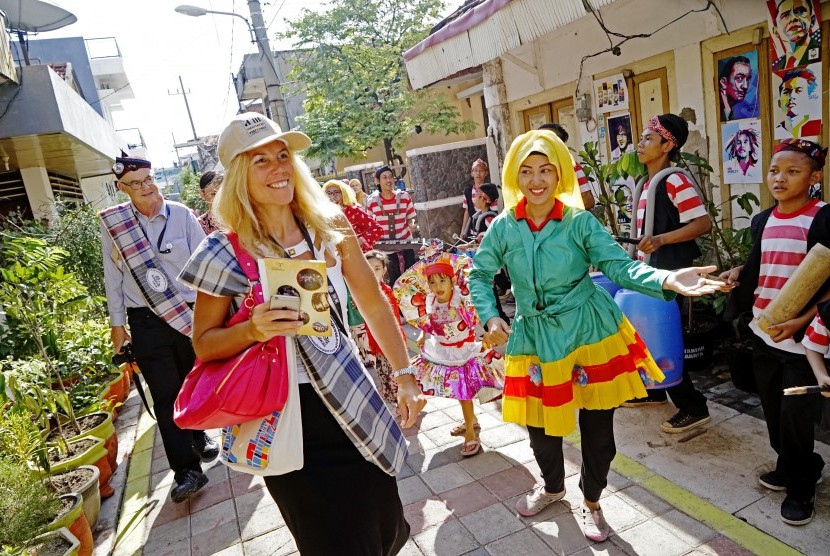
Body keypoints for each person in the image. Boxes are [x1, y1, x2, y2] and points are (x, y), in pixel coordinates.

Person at [178, 112, 422, 554]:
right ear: (237, 176)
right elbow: (204, 344)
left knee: (387, 526)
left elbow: (372, 303)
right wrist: (253, 328)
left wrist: (405, 374)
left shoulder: (328, 225)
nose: (278, 168)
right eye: (260, 161)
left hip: (352, 398)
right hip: (284, 419)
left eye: (283, 155)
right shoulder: (222, 251)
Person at [468, 129, 728, 542]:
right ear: (515, 177)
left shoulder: (579, 222)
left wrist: (667, 277)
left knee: (598, 429)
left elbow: (620, 267)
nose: (536, 180)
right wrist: (490, 317)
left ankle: (592, 502)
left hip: (589, 330)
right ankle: (553, 488)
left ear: (560, 177)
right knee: (541, 428)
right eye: (527, 171)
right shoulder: (503, 227)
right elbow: (479, 274)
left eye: (546, 171)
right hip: (535, 337)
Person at [721, 138, 829, 526]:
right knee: (772, 411)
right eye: (774, 171)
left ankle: (802, 485)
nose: (779, 179)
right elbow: (760, 263)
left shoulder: (824, 218)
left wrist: (802, 321)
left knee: (796, 417)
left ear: (814, 176)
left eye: (793, 171)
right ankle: (793, 466)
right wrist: (739, 274)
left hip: (804, 340)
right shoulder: (762, 220)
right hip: (765, 331)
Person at [98, 156, 217, 504]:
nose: (146, 187)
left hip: (190, 314)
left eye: (149, 179)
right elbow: (113, 276)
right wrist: (117, 325)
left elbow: (206, 264)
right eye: (136, 183)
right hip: (146, 321)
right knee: (165, 395)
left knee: (194, 382)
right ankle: (187, 471)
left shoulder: (182, 215)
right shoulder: (116, 226)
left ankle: (199, 435)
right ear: (122, 189)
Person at [621, 114, 714, 434]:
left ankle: (693, 406)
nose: (640, 144)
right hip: (651, 270)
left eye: (648, 139)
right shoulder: (645, 183)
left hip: (670, 269)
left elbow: (702, 224)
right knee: (646, 332)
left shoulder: (674, 180)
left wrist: (661, 239)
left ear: (667, 144)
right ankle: (655, 391)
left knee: (665, 337)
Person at [364, 250, 407, 404]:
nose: (373, 272)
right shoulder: (364, 291)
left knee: (395, 375)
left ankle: (403, 404)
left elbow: (393, 320)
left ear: (384, 270)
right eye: (369, 268)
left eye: (377, 268)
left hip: (390, 342)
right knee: (383, 374)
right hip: (376, 341)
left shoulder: (386, 292)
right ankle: (393, 401)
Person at [366, 165, 418, 286]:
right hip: (385, 249)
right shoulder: (372, 201)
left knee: (411, 279)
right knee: (392, 281)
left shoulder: (405, 197)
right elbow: (369, 225)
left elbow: (411, 219)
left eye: (391, 177)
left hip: (406, 244)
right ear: (377, 181)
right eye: (384, 177)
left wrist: (412, 225)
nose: (389, 180)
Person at [537, 123, 596, 210]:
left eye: (546, 139)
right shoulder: (526, 167)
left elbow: (588, 201)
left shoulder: (572, 166)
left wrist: (556, 214)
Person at [323, 179, 384, 252]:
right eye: (329, 193)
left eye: (336, 192)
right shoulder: (325, 215)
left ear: (343, 194)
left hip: (360, 255)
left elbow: (378, 230)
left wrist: (358, 242)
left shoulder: (353, 210)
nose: (332, 195)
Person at [771, 0, 822, 72]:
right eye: (785, 15)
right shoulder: (775, 67)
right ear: (776, 31)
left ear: (812, 20)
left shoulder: (821, 52)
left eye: (800, 11)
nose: (793, 18)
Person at [775, 67, 821, 139]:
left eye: (798, 91)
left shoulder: (816, 125)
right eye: (786, 92)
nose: (791, 97)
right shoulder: (779, 129)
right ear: (779, 103)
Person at [461, 158, 498, 238]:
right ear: (472, 173)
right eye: (475, 170)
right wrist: (463, 231)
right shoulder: (467, 191)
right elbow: (467, 211)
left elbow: (494, 212)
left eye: (481, 171)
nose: (478, 173)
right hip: (473, 232)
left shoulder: (490, 191)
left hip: (488, 231)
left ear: (486, 173)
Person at [718, 55, 754, 121]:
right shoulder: (716, 112)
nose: (745, 86)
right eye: (739, 78)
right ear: (723, 82)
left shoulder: (731, 112)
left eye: (748, 79)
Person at [197, 171, 223, 235]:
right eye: (213, 194)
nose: (219, 198)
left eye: (222, 194)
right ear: (202, 194)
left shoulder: (238, 217)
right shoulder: (198, 225)